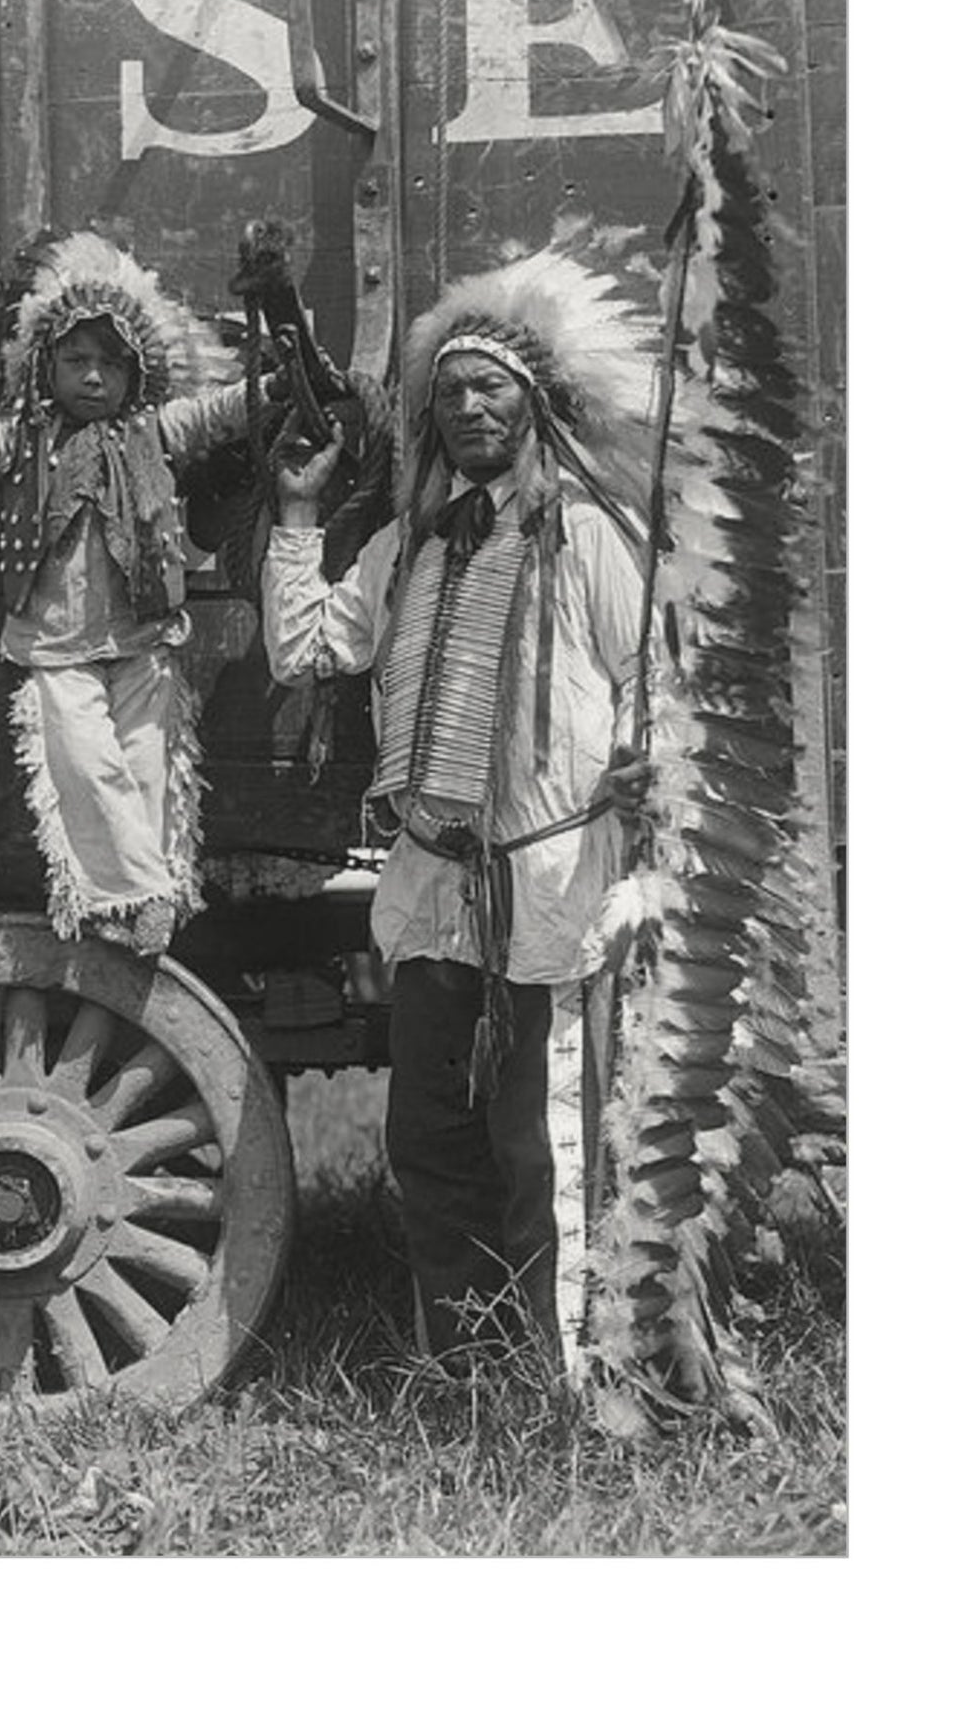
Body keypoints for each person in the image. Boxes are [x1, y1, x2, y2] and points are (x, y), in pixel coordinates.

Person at [262, 245, 655, 1370]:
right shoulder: (408, 548)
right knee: (429, 1142)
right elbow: (305, 650)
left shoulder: (586, 534)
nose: (470, 407)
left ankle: (564, 1377)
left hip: (546, 881)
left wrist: (643, 761)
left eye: (491, 387)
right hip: (431, 885)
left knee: (542, 1142)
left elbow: (650, 676)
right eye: (450, 393)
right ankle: (466, 1366)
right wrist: (298, 511)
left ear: (536, 403)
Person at [0, 231, 272, 957]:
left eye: (112, 363)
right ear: (46, 364)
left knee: (149, 769)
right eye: (77, 361)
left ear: (137, 372)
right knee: (85, 766)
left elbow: (223, 412)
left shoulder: (156, 432)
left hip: (142, 640)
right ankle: (131, 894)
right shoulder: (20, 440)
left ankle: (152, 897)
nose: (95, 378)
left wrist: (277, 388)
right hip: (57, 648)